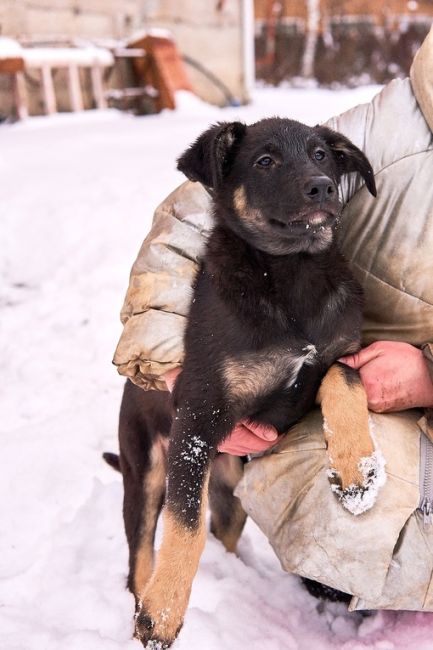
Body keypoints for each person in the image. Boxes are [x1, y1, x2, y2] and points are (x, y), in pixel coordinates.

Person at [113, 27, 433, 607]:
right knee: (356, 524)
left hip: (385, 376)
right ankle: (332, 567)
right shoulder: (386, 130)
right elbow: (187, 222)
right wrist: (176, 370)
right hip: (344, 377)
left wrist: (430, 372)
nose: (313, 178)